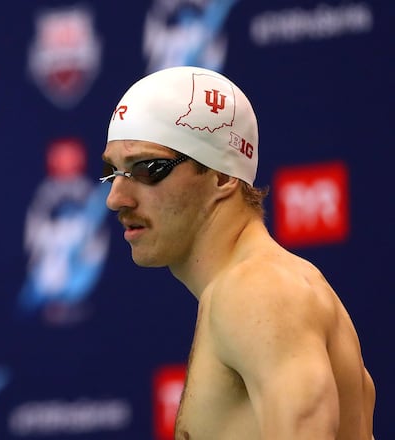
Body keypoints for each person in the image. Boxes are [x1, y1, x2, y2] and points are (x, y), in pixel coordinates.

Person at [101, 66, 376, 439]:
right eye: (112, 171)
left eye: (147, 168)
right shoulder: (272, 284)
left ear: (223, 176)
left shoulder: (258, 291)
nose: (116, 199)